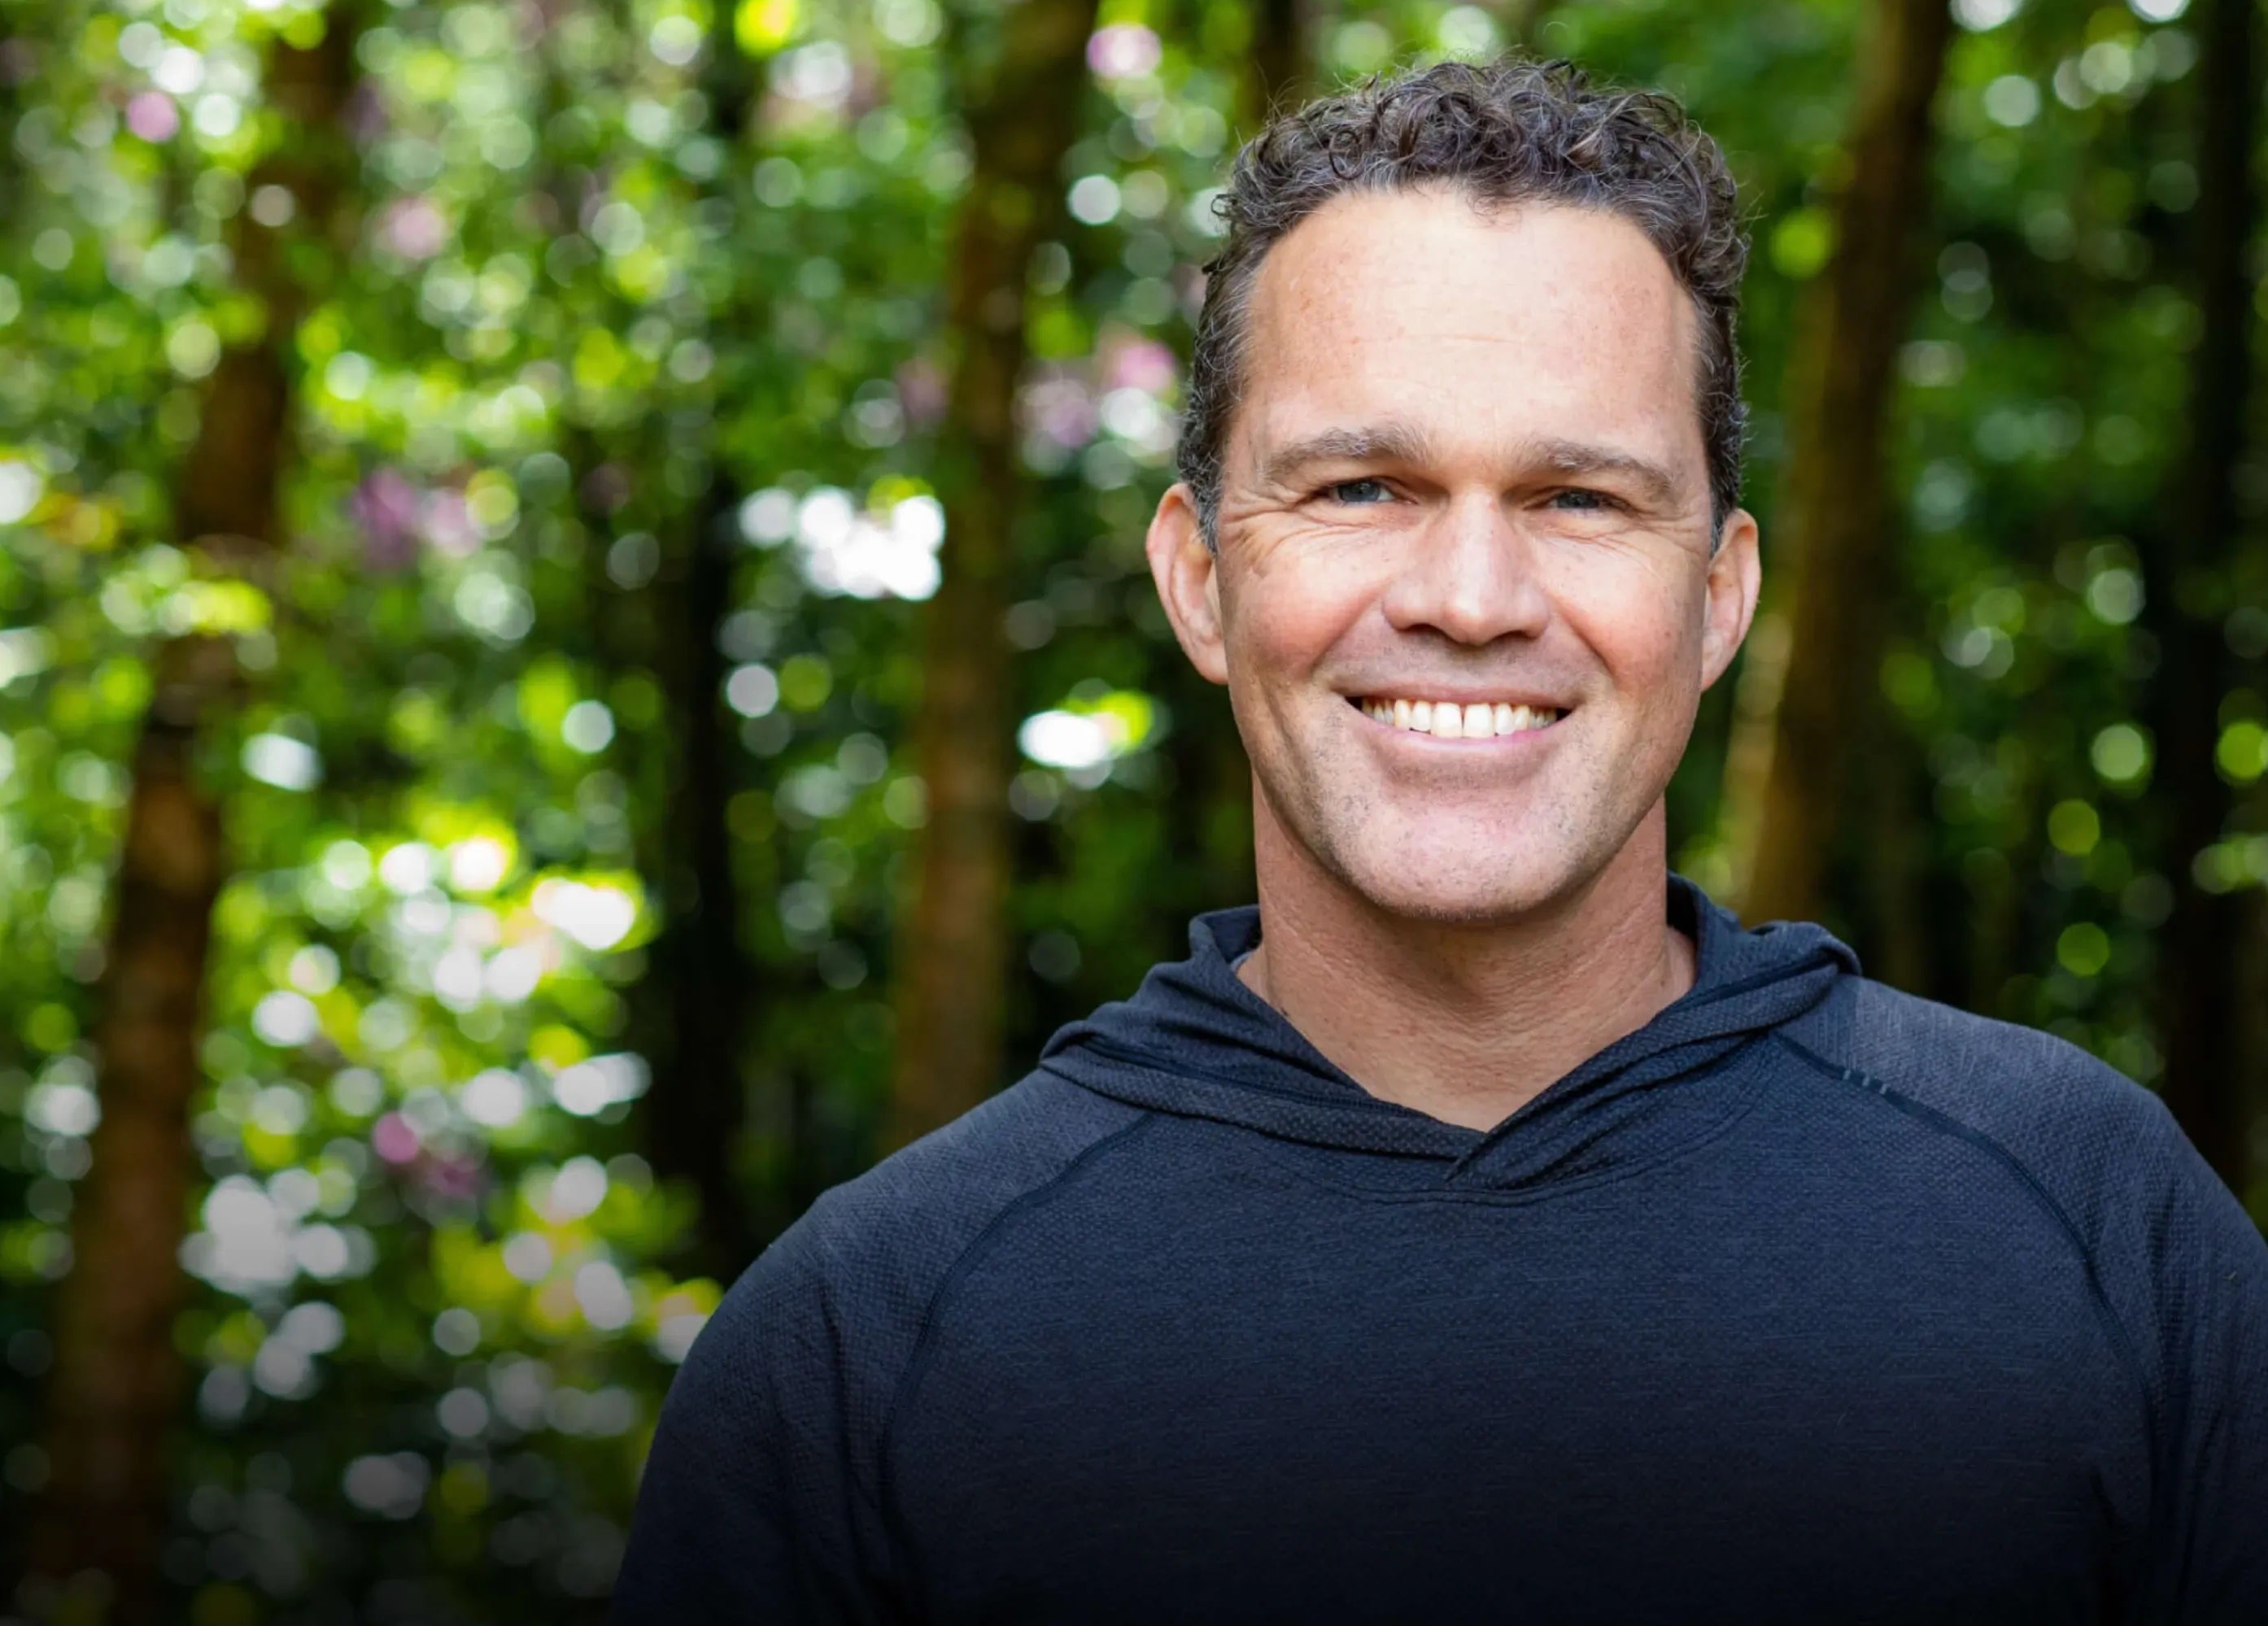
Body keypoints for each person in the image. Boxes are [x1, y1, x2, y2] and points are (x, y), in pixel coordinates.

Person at [614, 57, 2268, 1624]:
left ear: (1718, 595)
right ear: (1199, 578)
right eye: (1358, 489)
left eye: (1577, 500)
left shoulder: (2093, 1227)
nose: (1468, 601)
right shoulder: (861, 1344)